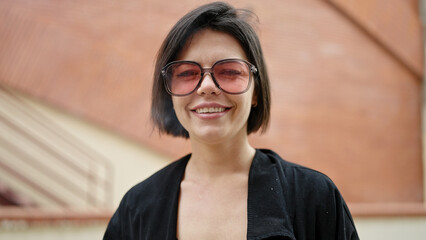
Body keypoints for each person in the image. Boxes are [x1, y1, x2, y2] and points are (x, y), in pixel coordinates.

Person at [104, 2, 359, 239]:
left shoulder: (313, 197)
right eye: (187, 73)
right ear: (169, 92)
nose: (206, 86)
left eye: (228, 71)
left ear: (256, 91)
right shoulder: (136, 209)